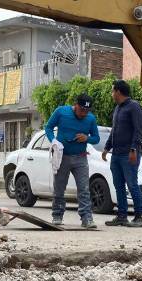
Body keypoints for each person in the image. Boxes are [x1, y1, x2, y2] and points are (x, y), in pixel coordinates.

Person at [44, 93, 101, 229]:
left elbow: (96, 138)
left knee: (84, 189)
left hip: (81, 157)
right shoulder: (61, 112)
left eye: (87, 111)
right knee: (59, 187)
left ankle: (87, 218)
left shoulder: (91, 119)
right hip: (62, 156)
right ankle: (57, 215)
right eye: (82, 110)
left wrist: (86, 138)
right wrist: (54, 141)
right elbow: (48, 127)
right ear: (75, 105)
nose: (84, 114)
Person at [102, 80, 142, 228]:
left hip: (129, 154)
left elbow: (138, 130)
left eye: (112, 91)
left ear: (118, 92)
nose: (111, 94)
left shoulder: (134, 106)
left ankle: (140, 216)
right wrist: (107, 148)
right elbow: (114, 130)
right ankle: (122, 216)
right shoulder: (117, 108)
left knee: (132, 184)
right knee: (118, 185)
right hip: (116, 154)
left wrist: (133, 149)